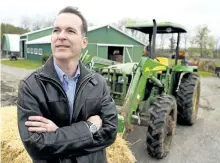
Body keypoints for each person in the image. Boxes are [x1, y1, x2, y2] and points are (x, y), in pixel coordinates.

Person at [17, 6, 118, 163]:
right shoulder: (31, 86)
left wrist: (58, 134)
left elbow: (110, 131)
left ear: (84, 42)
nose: (61, 36)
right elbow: (37, 147)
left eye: (70, 31)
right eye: (56, 30)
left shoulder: (98, 83)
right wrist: (89, 128)